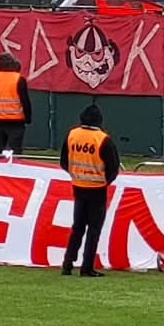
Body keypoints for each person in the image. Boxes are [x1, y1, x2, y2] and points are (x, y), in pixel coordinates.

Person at [60, 103, 121, 277]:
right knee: (94, 230)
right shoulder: (103, 139)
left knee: (77, 227)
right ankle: (87, 267)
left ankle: (67, 264)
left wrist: (77, 175)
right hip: (97, 189)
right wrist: (103, 180)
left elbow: (64, 161)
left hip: (78, 187)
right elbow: (113, 168)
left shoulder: (72, 135)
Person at [0, 51, 32, 156]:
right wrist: (28, 118)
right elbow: (25, 102)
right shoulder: (19, 79)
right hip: (16, 120)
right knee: (15, 152)